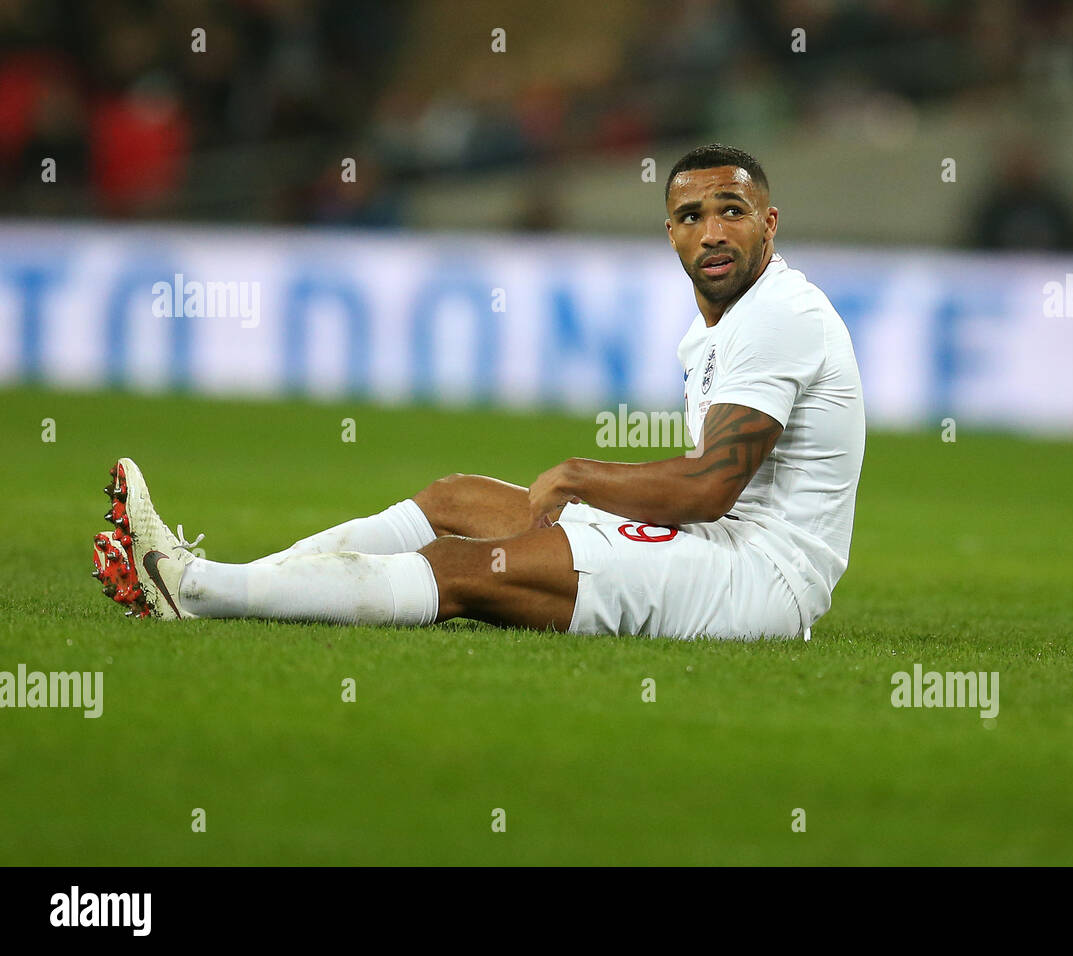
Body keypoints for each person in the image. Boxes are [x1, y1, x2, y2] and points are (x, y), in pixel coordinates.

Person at [92, 144, 865, 640]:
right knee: (456, 498)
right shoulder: (712, 333)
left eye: (732, 212)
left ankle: (194, 588)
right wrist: (595, 496)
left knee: (467, 568)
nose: (713, 232)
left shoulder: (780, 314)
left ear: (769, 223)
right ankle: (235, 579)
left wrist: (583, 478)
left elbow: (709, 486)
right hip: (721, 548)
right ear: (670, 234)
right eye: (691, 216)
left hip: (761, 582)